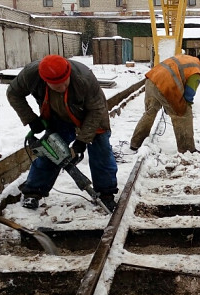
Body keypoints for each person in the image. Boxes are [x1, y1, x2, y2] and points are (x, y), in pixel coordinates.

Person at [7, 55, 118, 211]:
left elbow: (97, 109)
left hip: (92, 115)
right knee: (50, 153)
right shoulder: (31, 75)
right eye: (55, 86)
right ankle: (33, 191)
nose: (61, 88)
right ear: (45, 80)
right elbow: (13, 94)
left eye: (63, 83)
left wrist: (81, 142)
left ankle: (106, 194)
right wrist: (31, 119)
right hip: (58, 116)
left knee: (101, 152)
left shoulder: (83, 78)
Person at [129, 52, 200, 153]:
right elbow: (189, 94)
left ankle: (135, 143)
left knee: (150, 112)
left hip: (152, 80)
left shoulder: (185, 58)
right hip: (166, 86)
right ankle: (187, 149)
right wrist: (185, 106)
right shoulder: (195, 70)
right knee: (184, 114)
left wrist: (168, 104)